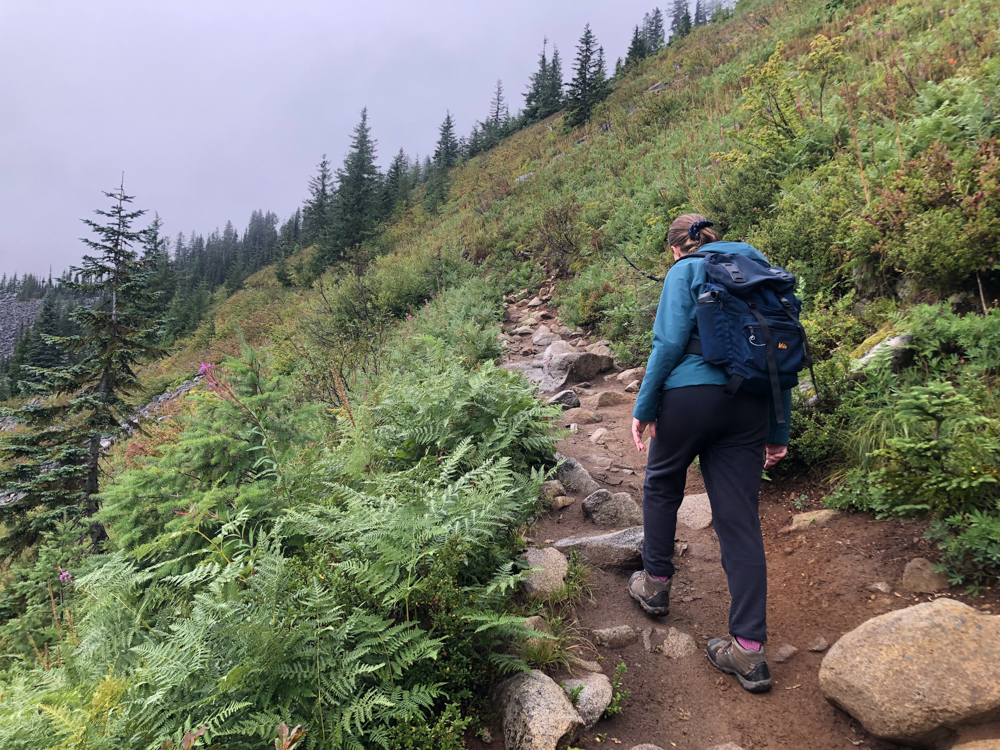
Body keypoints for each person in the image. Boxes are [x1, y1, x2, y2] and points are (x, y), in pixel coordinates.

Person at [626, 213, 790, 694]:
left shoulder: (683, 270)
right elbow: (779, 352)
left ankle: (655, 583)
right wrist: (777, 428)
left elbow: (669, 342)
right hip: (752, 405)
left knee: (661, 484)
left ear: (676, 247)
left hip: (690, 398)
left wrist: (644, 406)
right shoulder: (757, 268)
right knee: (739, 519)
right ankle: (749, 650)